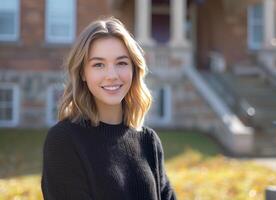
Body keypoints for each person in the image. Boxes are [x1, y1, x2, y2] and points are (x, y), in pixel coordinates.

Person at [41, 16, 177, 200]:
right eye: (98, 65)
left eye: (121, 63)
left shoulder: (148, 141)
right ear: (83, 73)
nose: (112, 75)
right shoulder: (64, 141)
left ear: (133, 69)